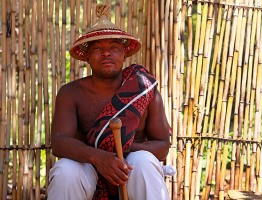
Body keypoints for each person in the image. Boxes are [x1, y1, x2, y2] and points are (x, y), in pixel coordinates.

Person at [47, 4, 174, 200]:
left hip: (130, 167)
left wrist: (120, 152)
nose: (106, 53)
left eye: (114, 48)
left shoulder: (143, 87)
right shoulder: (71, 93)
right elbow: (59, 142)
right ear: (87, 57)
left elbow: (163, 145)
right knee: (66, 170)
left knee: (144, 162)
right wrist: (99, 157)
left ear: (124, 54)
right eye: (97, 48)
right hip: (88, 166)